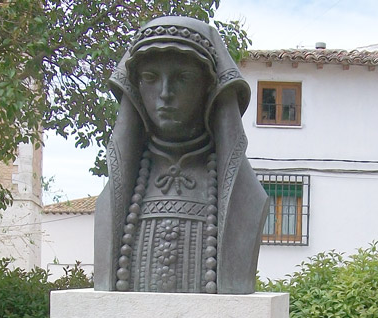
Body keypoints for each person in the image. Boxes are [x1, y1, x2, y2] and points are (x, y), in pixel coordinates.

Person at [94, 16, 267, 294]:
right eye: (150, 78)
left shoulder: (245, 199)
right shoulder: (121, 195)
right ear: (136, 88)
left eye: (182, 78)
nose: (165, 93)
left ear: (209, 89)